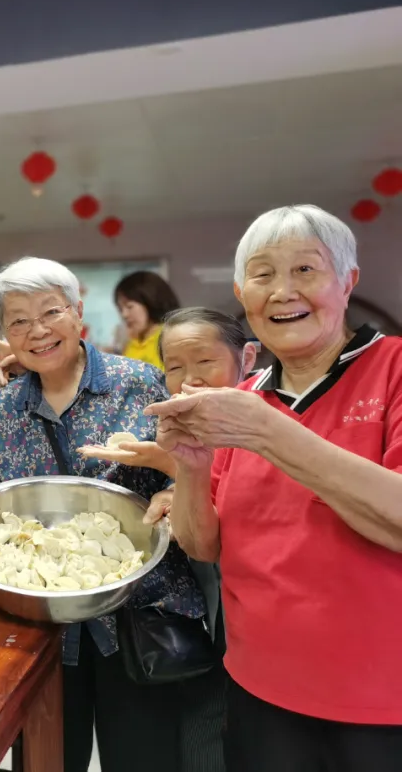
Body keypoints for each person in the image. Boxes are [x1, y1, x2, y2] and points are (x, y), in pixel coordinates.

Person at [147, 205, 402, 772]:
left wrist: (267, 431)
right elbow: (203, 545)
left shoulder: (393, 367)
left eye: (306, 270)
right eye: (263, 275)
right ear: (242, 293)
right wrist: (189, 465)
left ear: (347, 280)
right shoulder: (243, 398)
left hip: (381, 700)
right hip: (258, 688)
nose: (283, 291)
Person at [0, 257, 206, 772]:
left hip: (139, 618)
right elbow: (3, 510)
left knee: (143, 758)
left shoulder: (142, 385)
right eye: (18, 320)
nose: (37, 331)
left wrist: (177, 489)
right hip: (42, 633)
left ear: (78, 312)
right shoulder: (1, 414)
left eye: (50, 312)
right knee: (48, 759)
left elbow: (197, 467)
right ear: (5, 332)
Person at [84, 307, 257, 772]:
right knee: (208, 715)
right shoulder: (185, 423)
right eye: (176, 367)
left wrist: (167, 467)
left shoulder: (268, 421)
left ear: (247, 358)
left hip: (266, 611)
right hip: (214, 606)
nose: (190, 379)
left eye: (205, 362)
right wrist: (170, 474)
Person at [113, 271, 180, 369]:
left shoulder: (172, 338)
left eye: (129, 306)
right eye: (120, 309)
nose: (124, 314)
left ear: (150, 302)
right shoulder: (131, 343)